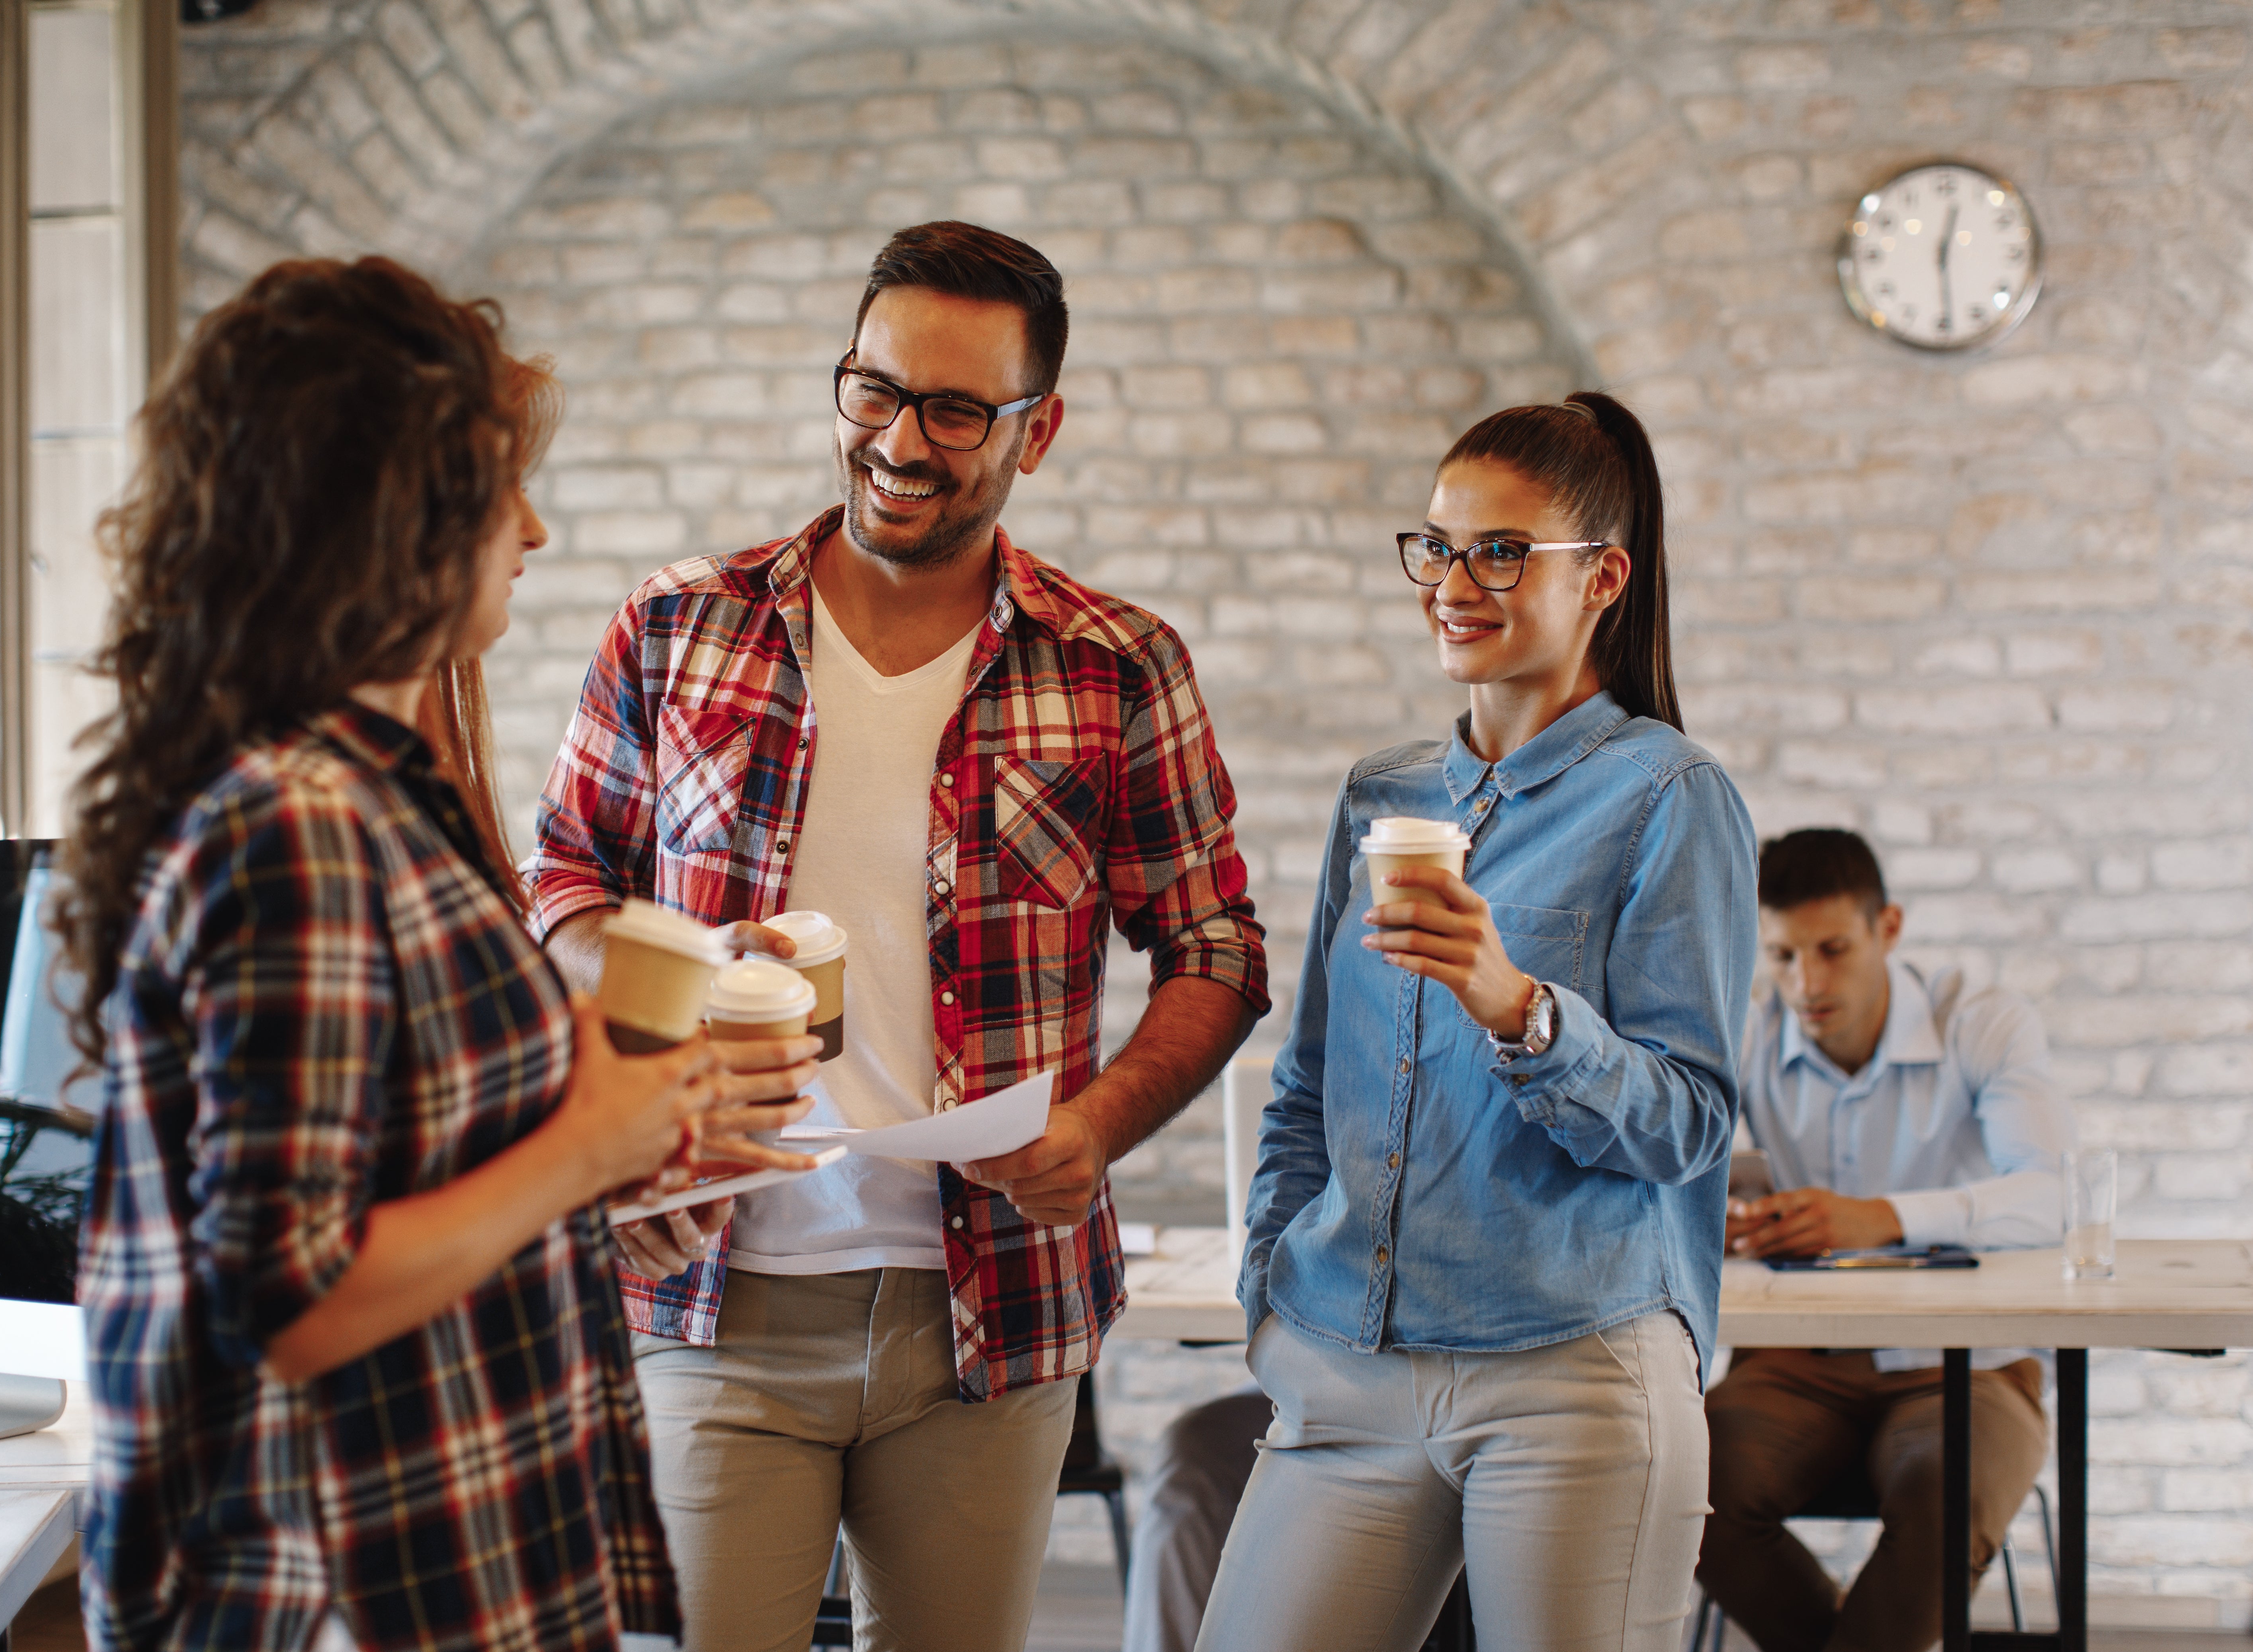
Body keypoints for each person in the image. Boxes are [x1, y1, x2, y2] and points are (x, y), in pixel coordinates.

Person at [54, 256, 821, 1652]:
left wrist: (625, 1172)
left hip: (460, 1559)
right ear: (383, 515)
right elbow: (287, 1296)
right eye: (492, 489)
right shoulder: (293, 825)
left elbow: (419, 1170)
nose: (530, 528)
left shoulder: (389, 801)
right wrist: (584, 1151)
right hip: (337, 1592)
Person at [528, 220, 1268, 1652]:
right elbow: (558, 878)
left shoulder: (1119, 667)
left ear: (1034, 432)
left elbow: (1216, 945)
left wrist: (1100, 1124)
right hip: (704, 1285)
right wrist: (668, 977)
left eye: (954, 410)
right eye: (873, 389)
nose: (900, 441)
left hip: (986, 1314)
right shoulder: (675, 629)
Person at [1198, 393, 1756, 1652]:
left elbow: (1694, 1124)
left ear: (1601, 576)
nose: (1453, 580)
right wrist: (1269, 1296)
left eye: (1501, 550)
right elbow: (1307, 1086)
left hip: (1570, 1373)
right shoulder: (1380, 794)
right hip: (1345, 1361)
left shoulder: (1669, 796)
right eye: (1437, 545)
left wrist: (1521, 1009)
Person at [1697, 827, 2073, 1652]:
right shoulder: (1750, 1031)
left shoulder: (1979, 1021)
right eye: (1784, 955)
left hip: (1967, 1363)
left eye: (1832, 948)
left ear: (1889, 927)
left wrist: (1883, 1216)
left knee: (1946, 1489)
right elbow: (1686, 1167)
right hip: (1796, 1362)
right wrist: (1719, 1218)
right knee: (1679, 1484)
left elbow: (2049, 1197)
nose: (1808, 982)